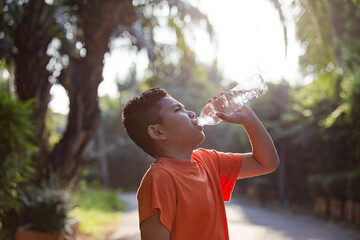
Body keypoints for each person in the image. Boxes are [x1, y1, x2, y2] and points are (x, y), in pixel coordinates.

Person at [121, 87, 280, 240]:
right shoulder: (159, 179)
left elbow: (266, 163)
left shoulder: (208, 160)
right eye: (178, 110)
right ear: (157, 132)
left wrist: (249, 119)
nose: (191, 113)